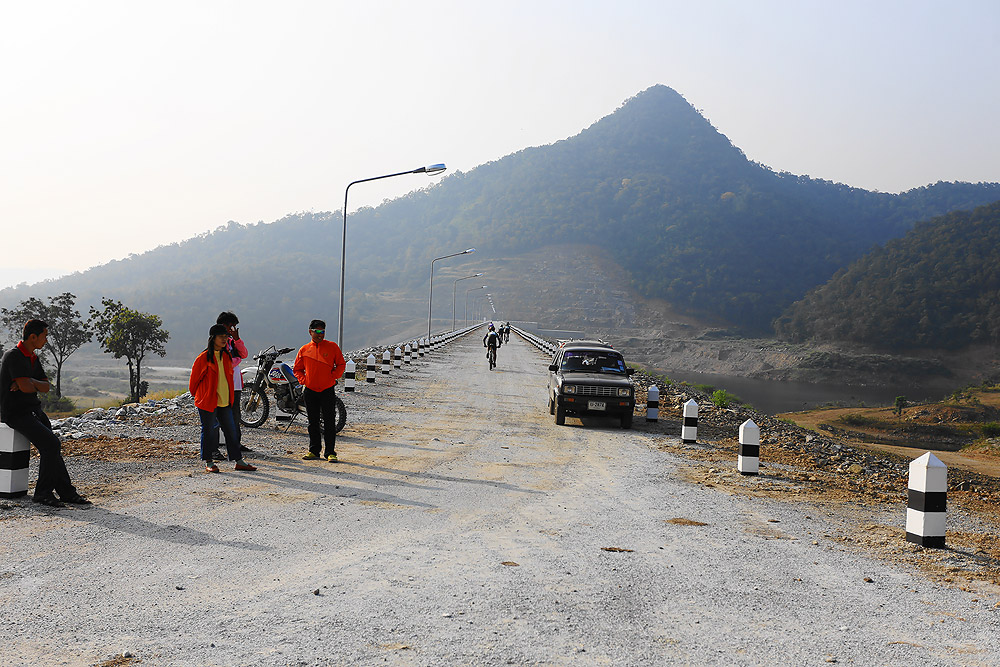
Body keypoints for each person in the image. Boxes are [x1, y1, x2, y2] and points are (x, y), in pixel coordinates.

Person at [0, 319, 90, 507]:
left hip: (33, 410)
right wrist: (30, 384)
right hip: (16, 413)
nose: (46, 340)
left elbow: (45, 387)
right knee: (51, 445)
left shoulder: (32, 357)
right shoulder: (14, 356)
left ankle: (66, 492)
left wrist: (30, 381)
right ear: (33, 337)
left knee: (52, 447)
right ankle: (43, 493)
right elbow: (27, 388)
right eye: (45, 336)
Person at [189, 324, 257, 473]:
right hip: (208, 402)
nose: (224, 339)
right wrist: (202, 397)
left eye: (226, 336)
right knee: (209, 431)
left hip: (225, 401)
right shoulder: (203, 358)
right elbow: (193, 383)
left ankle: (238, 461)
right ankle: (209, 462)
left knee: (231, 431)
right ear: (213, 338)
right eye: (221, 336)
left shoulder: (226, 356)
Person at [293, 319, 345, 462]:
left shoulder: (332, 347)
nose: (320, 334)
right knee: (312, 422)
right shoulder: (304, 349)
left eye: (322, 331)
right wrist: (304, 380)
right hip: (310, 390)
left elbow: (341, 364)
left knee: (329, 422)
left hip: (327, 390)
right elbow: (297, 369)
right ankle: (314, 451)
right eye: (317, 331)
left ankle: (330, 453)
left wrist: (333, 377)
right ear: (310, 332)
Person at [213, 311, 250, 456]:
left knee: (235, 416)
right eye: (231, 326)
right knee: (217, 417)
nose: (232, 329)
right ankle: (214, 448)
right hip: (222, 384)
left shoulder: (232, 341)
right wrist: (237, 360)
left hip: (235, 385)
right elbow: (224, 362)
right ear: (223, 325)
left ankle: (235, 444)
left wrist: (237, 339)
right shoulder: (216, 342)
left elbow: (244, 353)